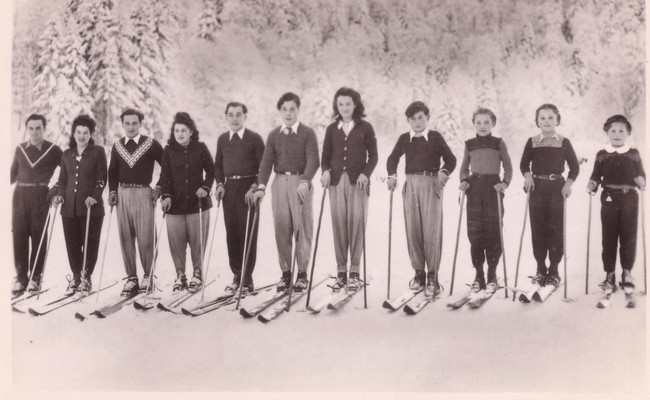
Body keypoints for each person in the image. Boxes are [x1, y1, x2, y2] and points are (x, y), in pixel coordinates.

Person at [386, 101, 456, 297]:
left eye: (421, 118)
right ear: (408, 120)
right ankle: (419, 274)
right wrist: (392, 175)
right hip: (411, 184)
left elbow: (451, 159)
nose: (417, 122)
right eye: (413, 119)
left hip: (431, 183)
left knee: (431, 230)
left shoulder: (434, 137)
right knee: (413, 229)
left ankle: (433, 275)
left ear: (427, 118)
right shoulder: (404, 138)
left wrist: (444, 172)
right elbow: (392, 158)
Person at [252, 92, 319, 292]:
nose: (288, 113)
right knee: (282, 229)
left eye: (292, 109)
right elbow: (266, 163)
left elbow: (313, 160)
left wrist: (305, 181)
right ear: (279, 111)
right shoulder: (274, 135)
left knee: (302, 228)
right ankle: (286, 273)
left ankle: (302, 274)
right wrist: (262, 186)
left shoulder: (307, 133)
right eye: (284, 109)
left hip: (300, 182)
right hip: (279, 181)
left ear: (298, 110)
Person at [320, 87, 378, 292]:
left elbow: (374, 156)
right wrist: (325, 171)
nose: (344, 108)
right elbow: (325, 156)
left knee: (356, 224)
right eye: (340, 104)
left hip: (358, 182)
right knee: (338, 225)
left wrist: (365, 174)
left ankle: (354, 272)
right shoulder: (331, 129)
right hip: (336, 182)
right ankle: (341, 272)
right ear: (337, 106)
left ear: (355, 105)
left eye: (348, 104)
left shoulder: (365, 128)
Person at [520, 103, 579, 287]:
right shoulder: (532, 141)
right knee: (538, 229)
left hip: (556, 189)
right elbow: (524, 165)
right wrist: (528, 177)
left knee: (555, 229)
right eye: (542, 118)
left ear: (557, 120)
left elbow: (574, 167)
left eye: (551, 117)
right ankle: (540, 268)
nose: (547, 121)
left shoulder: (564, 142)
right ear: (537, 121)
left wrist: (568, 183)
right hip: (537, 188)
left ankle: (554, 270)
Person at [108, 108, 163, 296]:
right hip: (123, 194)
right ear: (122, 124)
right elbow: (112, 172)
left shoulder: (151, 144)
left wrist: (160, 186)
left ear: (140, 124)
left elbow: (167, 166)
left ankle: (148, 276)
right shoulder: (117, 146)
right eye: (127, 123)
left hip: (143, 193)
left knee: (146, 236)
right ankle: (132, 278)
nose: (130, 127)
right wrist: (113, 191)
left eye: (134, 123)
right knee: (125, 236)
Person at [587, 115, 645, 291]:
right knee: (609, 236)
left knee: (628, 236)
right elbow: (596, 175)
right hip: (609, 197)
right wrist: (592, 184)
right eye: (613, 130)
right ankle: (609, 274)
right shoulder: (602, 155)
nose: (617, 134)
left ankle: (626, 272)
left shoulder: (633, 153)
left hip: (629, 198)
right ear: (607, 132)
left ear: (628, 132)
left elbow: (641, 174)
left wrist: (641, 180)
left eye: (621, 130)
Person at [458, 108, 513, 293]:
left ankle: (492, 274)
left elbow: (508, 167)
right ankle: (479, 274)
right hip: (474, 189)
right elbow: (464, 168)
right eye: (479, 122)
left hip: (493, 188)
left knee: (493, 231)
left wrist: (504, 184)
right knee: (475, 233)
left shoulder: (499, 143)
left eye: (487, 122)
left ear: (493, 124)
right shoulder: (469, 144)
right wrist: (464, 181)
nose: (482, 126)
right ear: (474, 123)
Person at [159, 112, 214, 293]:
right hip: (174, 206)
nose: (180, 134)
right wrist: (166, 195)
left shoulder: (200, 148)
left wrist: (205, 187)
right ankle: (180, 275)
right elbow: (165, 176)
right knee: (177, 243)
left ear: (191, 131)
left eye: (184, 130)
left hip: (197, 204)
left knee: (197, 242)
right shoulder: (168, 150)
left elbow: (212, 171)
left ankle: (197, 274)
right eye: (177, 131)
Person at [53, 115, 107, 294]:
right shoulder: (67, 154)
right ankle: (76, 276)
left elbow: (101, 178)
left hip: (91, 208)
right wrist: (60, 195)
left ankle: (86, 277)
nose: (82, 136)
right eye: (78, 132)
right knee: (72, 244)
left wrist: (95, 196)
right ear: (73, 134)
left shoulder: (97, 151)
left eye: (86, 132)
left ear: (90, 134)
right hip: (69, 208)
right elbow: (62, 179)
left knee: (90, 243)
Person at [214, 102, 264, 294]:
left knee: (247, 234)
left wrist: (255, 187)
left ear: (245, 116)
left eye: (238, 115)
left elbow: (264, 166)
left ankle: (247, 278)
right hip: (229, 189)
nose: (234, 118)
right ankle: (236, 275)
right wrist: (219, 184)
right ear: (226, 117)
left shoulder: (254, 139)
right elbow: (218, 165)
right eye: (231, 115)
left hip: (248, 188)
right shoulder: (222, 139)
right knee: (232, 234)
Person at [10, 114, 62, 295]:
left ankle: (35, 277)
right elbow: (11, 175)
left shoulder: (53, 150)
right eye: (31, 128)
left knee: (39, 236)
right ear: (27, 129)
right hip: (20, 195)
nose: (34, 132)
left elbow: (68, 171)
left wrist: (57, 188)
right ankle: (21, 277)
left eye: (38, 128)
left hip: (41, 195)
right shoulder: (20, 149)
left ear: (44, 128)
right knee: (19, 237)